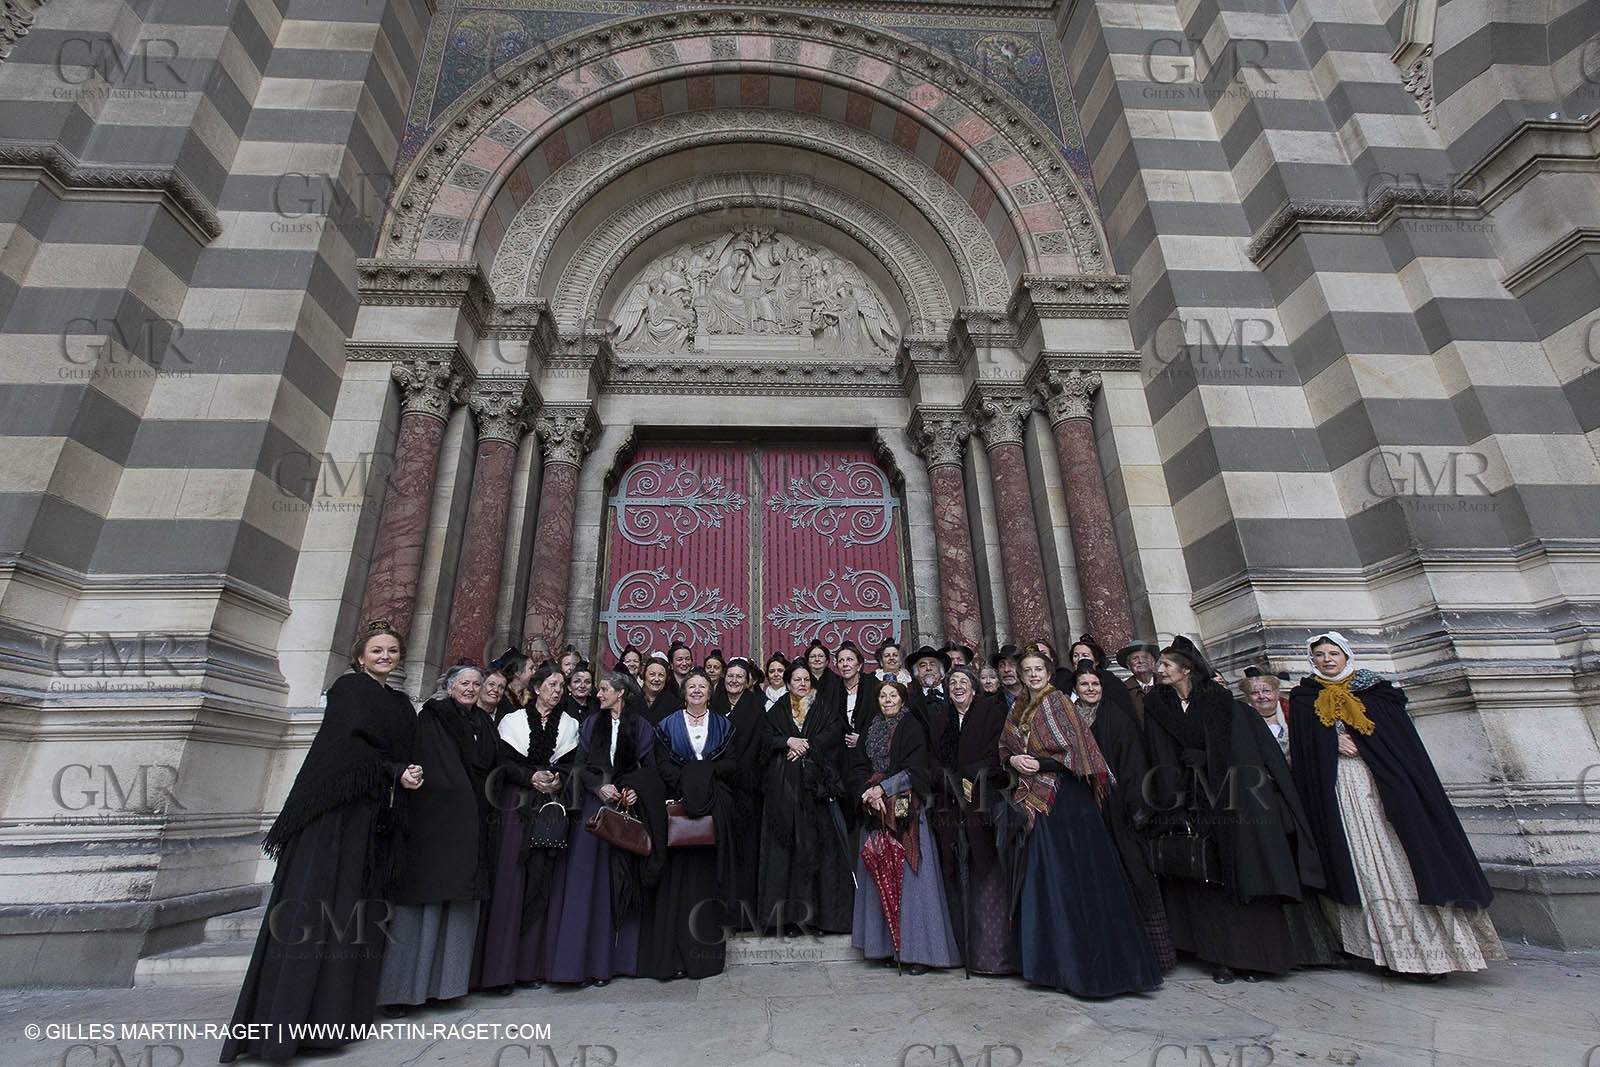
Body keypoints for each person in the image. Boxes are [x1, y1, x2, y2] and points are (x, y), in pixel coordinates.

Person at [222, 621, 421, 1063]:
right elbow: (350, 750)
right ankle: (281, 1029)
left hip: (372, 819)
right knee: (314, 912)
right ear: (360, 655)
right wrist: (392, 771)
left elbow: (401, 750)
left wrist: (407, 771)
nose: (385, 656)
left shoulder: (400, 701)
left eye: (391, 650)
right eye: (377, 650)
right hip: (332, 819)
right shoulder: (349, 689)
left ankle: (334, 1022)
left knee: (354, 912)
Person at [1288, 632, 1504, 978]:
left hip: (1387, 790)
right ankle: (1385, 953)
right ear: (1311, 660)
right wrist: (1330, 741)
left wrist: (1359, 741)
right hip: (1342, 789)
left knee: (1406, 860)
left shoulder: (1378, 693)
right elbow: (1305, 753)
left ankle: (1435, 956)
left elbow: (1399, 746)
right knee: (1364, 863)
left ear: (1346, 655)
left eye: (1333, 653)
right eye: (1320, 654)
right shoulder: (1304, 698)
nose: (1327, 659)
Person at [1142, 636, 1331, 983]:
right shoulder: (1158, 705)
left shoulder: (1221, 703)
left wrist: (1209, 759)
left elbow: (1244, 754)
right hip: (1187, 799)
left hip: (1230, 802)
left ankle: (1256, 958)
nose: (1160, 669)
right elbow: (1158, 752)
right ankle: (1218, 956)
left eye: (1167, 664)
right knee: (1203, 879)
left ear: (1186, 669)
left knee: (1241, 872)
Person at [999, 645, 1161, 997]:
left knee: (1077, 881)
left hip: (1066, 802)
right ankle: (1053, 965)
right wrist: (1013, 762)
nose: (1032, 675)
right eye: (1027, 670)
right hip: (1034, 802)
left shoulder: (1059, 702)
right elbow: (1007, 749)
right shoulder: (1017, 707)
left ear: (1048, 670)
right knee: (1047, 882)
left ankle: (1092, 969)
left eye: (1038, 669)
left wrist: (1039, 764)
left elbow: (1081, 753)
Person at [378, 665, 499, 1014]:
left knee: (457, 905)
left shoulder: (483, 723)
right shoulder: (435, 717)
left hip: (469, 823)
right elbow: (438, 766)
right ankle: (403, 992)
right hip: (437, 826)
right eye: (465, 683)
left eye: (476, 684)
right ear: (449, 686)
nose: (471, 689)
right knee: (421, 908)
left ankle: (445, 987)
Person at [545, 671, 662, 986]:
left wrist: (634, 788)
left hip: (626, 809)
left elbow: (650, 769)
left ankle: (619, 962)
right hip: (595, 809)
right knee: (587, 882)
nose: (599, 694)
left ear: (621, 693)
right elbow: (579, 765)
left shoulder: (641, 727)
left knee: (621, 881)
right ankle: (579, 965)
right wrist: (599, 787)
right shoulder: (591, 724)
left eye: (605, 689)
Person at [848, 680, 962, 973]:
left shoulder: (911, 726)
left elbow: (915, 768)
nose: (887, 700)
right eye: (882, 695)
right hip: (874, 805)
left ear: (902, 699)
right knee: (879, 868)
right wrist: (867, 791)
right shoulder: (871, 728)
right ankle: (885, 948)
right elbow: (858, 766)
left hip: (904, 803)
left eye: (893, 695)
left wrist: (883, 789)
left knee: (911, 873)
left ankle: (920, 953)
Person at [477, 664, 578, 992]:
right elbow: (503, 761)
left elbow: (572, 763)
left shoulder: (569, 725)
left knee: (543, 880)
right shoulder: (513, 721)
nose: (557, 690)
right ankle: (500, 971)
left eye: (561, 685)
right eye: (552, 684)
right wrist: (528, 777)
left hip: (550, 808)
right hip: (516, 808)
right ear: (536, 688)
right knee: (511, 882)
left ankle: (531, 967)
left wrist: (559, 776)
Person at [1070, 667, 1175, 974]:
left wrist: (1137, 804)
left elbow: (1133, 763)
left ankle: (1147, 951)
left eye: (1095, 684)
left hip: (1117, 808)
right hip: (1082, 808)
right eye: (1084, 684)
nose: (1090, 689)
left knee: (1132, 876)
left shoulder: (1115, 717)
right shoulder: (1069, 719)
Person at [642, 669, 739, 979]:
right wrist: (688, 783)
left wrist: (704, 779)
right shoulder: (668, 725)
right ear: (683, 693)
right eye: (692, 686)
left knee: (709, 878)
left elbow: (731, 763)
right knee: (677, 881)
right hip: (679, 811)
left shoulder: (724, 725)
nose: (697, 690)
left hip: (715, 813)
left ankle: (704, 957)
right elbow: (662, 764)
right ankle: (674, 957)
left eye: (703, 687)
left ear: (711, 693)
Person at [927, 665, 1013, 975]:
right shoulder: (940, 720)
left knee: (985, 875)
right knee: (954, 875)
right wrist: (948, 779)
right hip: (949, 807)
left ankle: (992, 958)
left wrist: (970, 774)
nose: (958, 687)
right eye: (953, 683)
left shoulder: (990, 714)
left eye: (964, 682)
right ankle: (959, 952)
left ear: (974, 688)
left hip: (981, 804)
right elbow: (932, 760)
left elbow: (999, 755)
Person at [758, 660, 853, 935]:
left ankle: (821, 919)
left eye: (805, 679)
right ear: (787, 684)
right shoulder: (777, 710)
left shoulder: (823, 708)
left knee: (819, 854)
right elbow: (765, 738)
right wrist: (787, 741)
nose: (801, 684)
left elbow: (834, 733)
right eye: (796, 680)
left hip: (816, 795)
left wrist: (805, 746)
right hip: (784, 795)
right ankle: (789, 919)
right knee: (786, 855)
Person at [714, 658, 767, 924]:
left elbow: (759, 746)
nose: (734, 681)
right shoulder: (715, 704)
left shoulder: (756, 707)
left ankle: (746, 915)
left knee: (747, 851)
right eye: (730, 676)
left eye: (739, 677)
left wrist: (741, 773)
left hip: (748, 788)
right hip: (720, 789)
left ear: (748, 681)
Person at [1241, 667, 1289, 757]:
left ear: (1277, 692)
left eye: (1266, 691)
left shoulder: (1291, 711)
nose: (1261, 696)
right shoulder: (1244, 719)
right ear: (1248, 697)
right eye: (1255, 693)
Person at [1114, 640, 1160, 730]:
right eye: (1135, 658)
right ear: (1128, 665)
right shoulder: (1123, 691)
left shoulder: (1167, 684)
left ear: (1153, 661)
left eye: (1145, 657)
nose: (1140, 661)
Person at [805, 638, 844, 718]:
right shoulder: (801, 681)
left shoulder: (838, 681)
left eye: (821, 656)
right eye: (812, 656)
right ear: (807, 662)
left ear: (827, 661)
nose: (817, 659)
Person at [642, 657, 678, 725]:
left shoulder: (674, 704)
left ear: (666, 678)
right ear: (644, 676)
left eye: (661, 675)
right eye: (652, 674)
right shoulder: (632, 701)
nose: (656, 679)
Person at [990, 644, 1024, 711]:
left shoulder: (1037, 699)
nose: (1006, 670)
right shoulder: (987, 705)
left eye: (1012, 664)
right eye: (1001, 665)